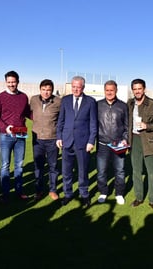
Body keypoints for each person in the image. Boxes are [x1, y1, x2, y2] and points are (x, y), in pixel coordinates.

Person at [56, 76, 97, 208]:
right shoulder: (65, 100)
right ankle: (68, 194)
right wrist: (59, 137)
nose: (75, 89)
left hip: (83, 143)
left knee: (83, 171)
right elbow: (60, 121)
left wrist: (91, 141)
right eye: (73, 86)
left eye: (78, 87)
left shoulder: (91, 102)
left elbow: (93, 123)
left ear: (83, 87)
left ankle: (84, 195)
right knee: (66, 171)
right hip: (67, 141)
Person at [0, 71, 30, 203]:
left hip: (21, 136)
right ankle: (5, 193)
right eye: (9, 82)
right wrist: (4, 127)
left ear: (18, 81)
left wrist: (43, 119)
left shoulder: (24, 97)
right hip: (5, 136)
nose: (11, 84)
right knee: (5, 165)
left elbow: (27, 113)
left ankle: (19, 192)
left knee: (19, 165)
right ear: (5, 82)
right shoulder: (0, 97)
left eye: (13, 82)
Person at [127, 78, 153, 211]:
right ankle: (139, 197)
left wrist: (147, 126)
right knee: (136, 171)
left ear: (144, 89)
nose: (137, 91)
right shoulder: (130, 103)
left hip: (149, 140)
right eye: (135, 89)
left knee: (152, 173)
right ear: (132, 90)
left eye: (139, 88)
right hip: (134, 140)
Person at [96, 80, 128, 205]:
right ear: (104, 91)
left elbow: (126, 125)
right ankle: (103, 192)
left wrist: (125, 138)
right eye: (107, 90)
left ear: (116, 90)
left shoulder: (123, 106)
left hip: (118, 144)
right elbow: (93, 124)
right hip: (102, 144)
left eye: (112, 90)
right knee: (101, 171)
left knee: (120, 171)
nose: (109, 92)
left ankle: (119, 193)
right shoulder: (97, 105)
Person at [29, 79, 61, 201]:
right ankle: (38, 190)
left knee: (53, 166)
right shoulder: (33, 100)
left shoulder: (58, 101)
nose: (46, 92)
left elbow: (61, 119)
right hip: (37, 139)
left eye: (48, 90)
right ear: (40, 89)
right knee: (38, 166)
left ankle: (52, 190)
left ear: (52, 90)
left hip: (52, 139)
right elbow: (29, 113)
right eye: (44, 89)